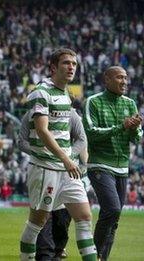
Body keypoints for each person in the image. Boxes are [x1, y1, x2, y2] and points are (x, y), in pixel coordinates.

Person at [18, 48, 96, 261]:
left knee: (84, 216)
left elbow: (74, 136)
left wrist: (69, 160)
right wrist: (66, 158)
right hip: (45, 168)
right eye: (66, 63)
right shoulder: (41, 92)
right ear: (53, 67)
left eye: (74, 64)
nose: (71, 67)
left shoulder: (65, 94)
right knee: (37, 222)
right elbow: (42, 131)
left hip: (65, 168)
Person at [83, 66, 143, 260]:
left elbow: (137, 137)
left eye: (126, 78)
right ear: (106, 80)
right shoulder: (93, 102)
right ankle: (94, 256)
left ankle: (101, 257)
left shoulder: (130, 103)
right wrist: (121, 127)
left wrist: (134, 129)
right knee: (112, 209)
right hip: (99, 164)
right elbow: (91, 134)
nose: (124, 81)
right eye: (119, 77)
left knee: (114, 219)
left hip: (122, 167)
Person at [19, 108, 88, 260]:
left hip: (68, 171)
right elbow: (21, 142)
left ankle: (58, 250)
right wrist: (41, 153)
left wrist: (66, 156)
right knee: (42, 218)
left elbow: (82, 139)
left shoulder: (71, 113)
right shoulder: (32, 113)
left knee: (63, 220)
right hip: (42, 169)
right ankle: (44, 255)